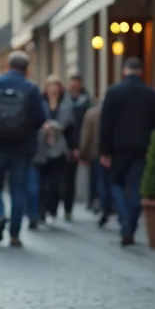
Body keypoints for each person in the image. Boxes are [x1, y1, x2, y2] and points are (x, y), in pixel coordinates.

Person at [0, 51, 47, 247]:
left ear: (7, 66)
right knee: (18, 190)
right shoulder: (31, 89)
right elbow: (41, 118)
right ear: (27, 69)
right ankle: (14, 235)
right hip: (22, 147)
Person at [99, 58, 155, 247]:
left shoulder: (113, 93)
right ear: (141, 72)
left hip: (118, 148)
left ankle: (125, 220)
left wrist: (104, 150)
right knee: (136, 188)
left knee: (116, 184)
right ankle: (131, 225)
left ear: (124, 71)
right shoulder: (152, 95)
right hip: (142, 148)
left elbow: (105, 124)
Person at [36, 75, 75, 225]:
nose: (53, 89)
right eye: (50, 86)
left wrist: (73, 147)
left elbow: (71, 128)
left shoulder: (67, 104)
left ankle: (52, 209)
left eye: (55, 86)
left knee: (56, 183)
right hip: (42, 146)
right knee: (42, 182)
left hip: (60, 148)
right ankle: (41, 210)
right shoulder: (40, 103)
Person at [78, 94, 113, 226]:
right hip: (114, 153)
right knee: (112, 180)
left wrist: (84, 154)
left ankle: (103, 206)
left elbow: (86, 136)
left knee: (101, 180)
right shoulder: (117, 113)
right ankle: (110, 205)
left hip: (96, 153)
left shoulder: (92, 114)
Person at [65, 75, 93, 213]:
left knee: (73, 175)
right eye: (72, 83)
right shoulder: (65, 100)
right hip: (65, 143)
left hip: (79, 141)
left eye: (76, 83)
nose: (74, 86)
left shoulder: (86, 101)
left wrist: (81, 146)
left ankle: (70, 205)